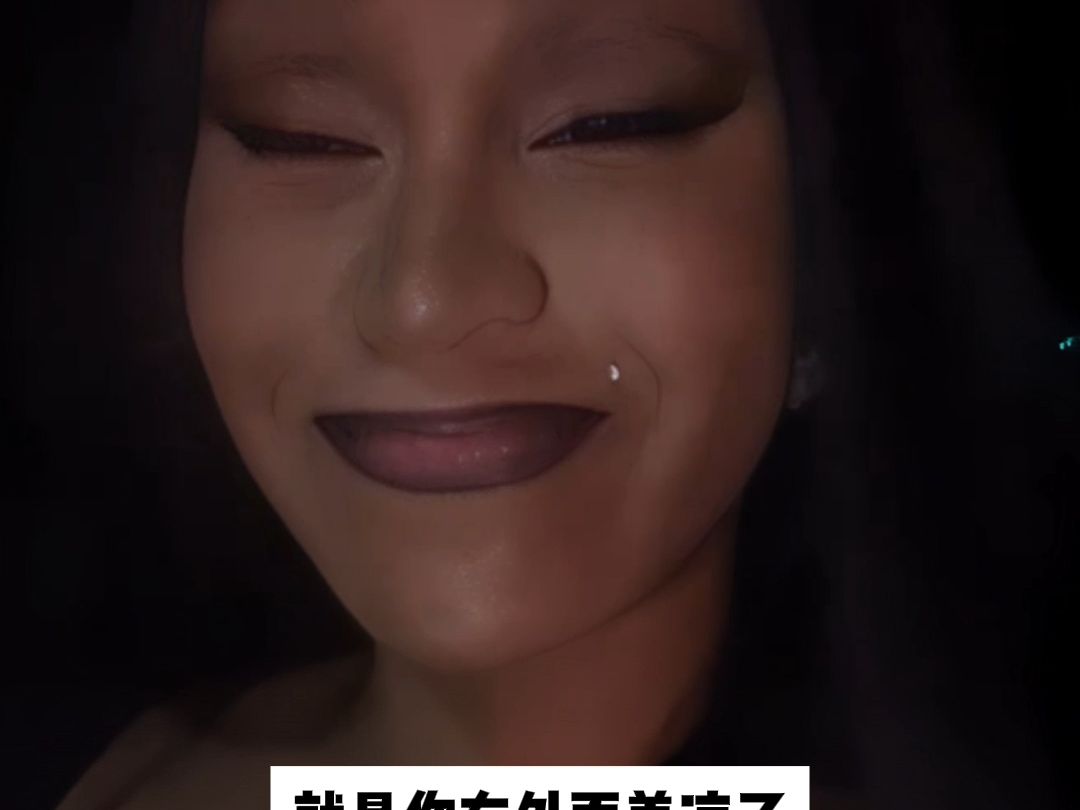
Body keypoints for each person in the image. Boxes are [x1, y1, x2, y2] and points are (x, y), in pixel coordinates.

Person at [44, 0, 1076, 808]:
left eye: (609, 124)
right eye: (302, 136)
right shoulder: (86, 742)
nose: (423, 300)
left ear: (829, 239)